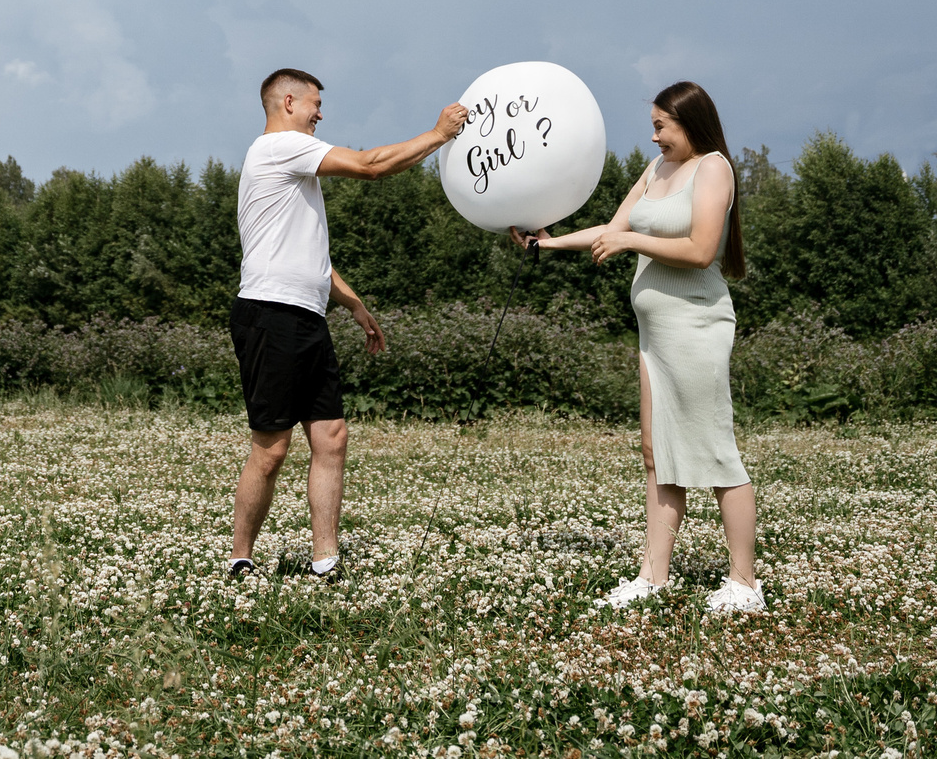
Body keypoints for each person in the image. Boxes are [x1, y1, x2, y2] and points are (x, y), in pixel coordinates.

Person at [512, 79, 763, 613]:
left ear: (688, 123)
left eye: (660, 127)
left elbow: (699, 250)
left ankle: (744, 584)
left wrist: (629, 242)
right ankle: (654, 575)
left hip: (697, 327)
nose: (653, 138)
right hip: (656, 334)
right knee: (656, 453)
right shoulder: (656, 171)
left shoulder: (714, 167)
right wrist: (548, 242)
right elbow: (613, 227)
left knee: (715, 452)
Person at [228, 68, 469, 581]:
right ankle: (240, 558)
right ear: (288, 102)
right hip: (270, 314)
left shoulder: (293, 166)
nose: (321, 113)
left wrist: (354, 305)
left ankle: (325, 560)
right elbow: (370, 165)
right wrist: (438, 134)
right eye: (315, 103)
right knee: (271, 449)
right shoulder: (278, 148)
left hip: (304, 315)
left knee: (331, 435)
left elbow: (308, 254)